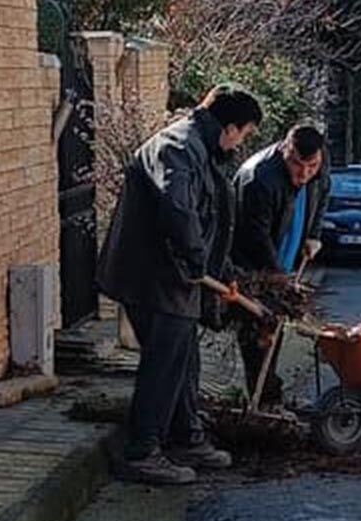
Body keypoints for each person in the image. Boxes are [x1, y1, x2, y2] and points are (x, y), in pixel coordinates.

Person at [96, 84, 262, 485]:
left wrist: (220, 273)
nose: (242, 142)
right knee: (164, 366)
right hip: (155, 276)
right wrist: (194, 262)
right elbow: (179, 208)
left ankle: (186, 437)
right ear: (230, 127)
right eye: (245, 133)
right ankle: (142, 452)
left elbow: (209, 220)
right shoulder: (179, 147)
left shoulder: (199, 149)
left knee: (184, 359)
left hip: (175, 278)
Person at [231, 124, 330, 403]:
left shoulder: (320, 163)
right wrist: (279, 281)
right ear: (284, 150)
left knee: (274, 335)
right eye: (297, 165)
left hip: (284, 264)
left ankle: (269, 398)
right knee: (258, 338)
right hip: (253, 270)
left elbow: (323, 192)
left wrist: (313, 235)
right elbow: (256, 239)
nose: (304, 174)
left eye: (311, 166)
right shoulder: (259, 180)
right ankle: (264, 401)